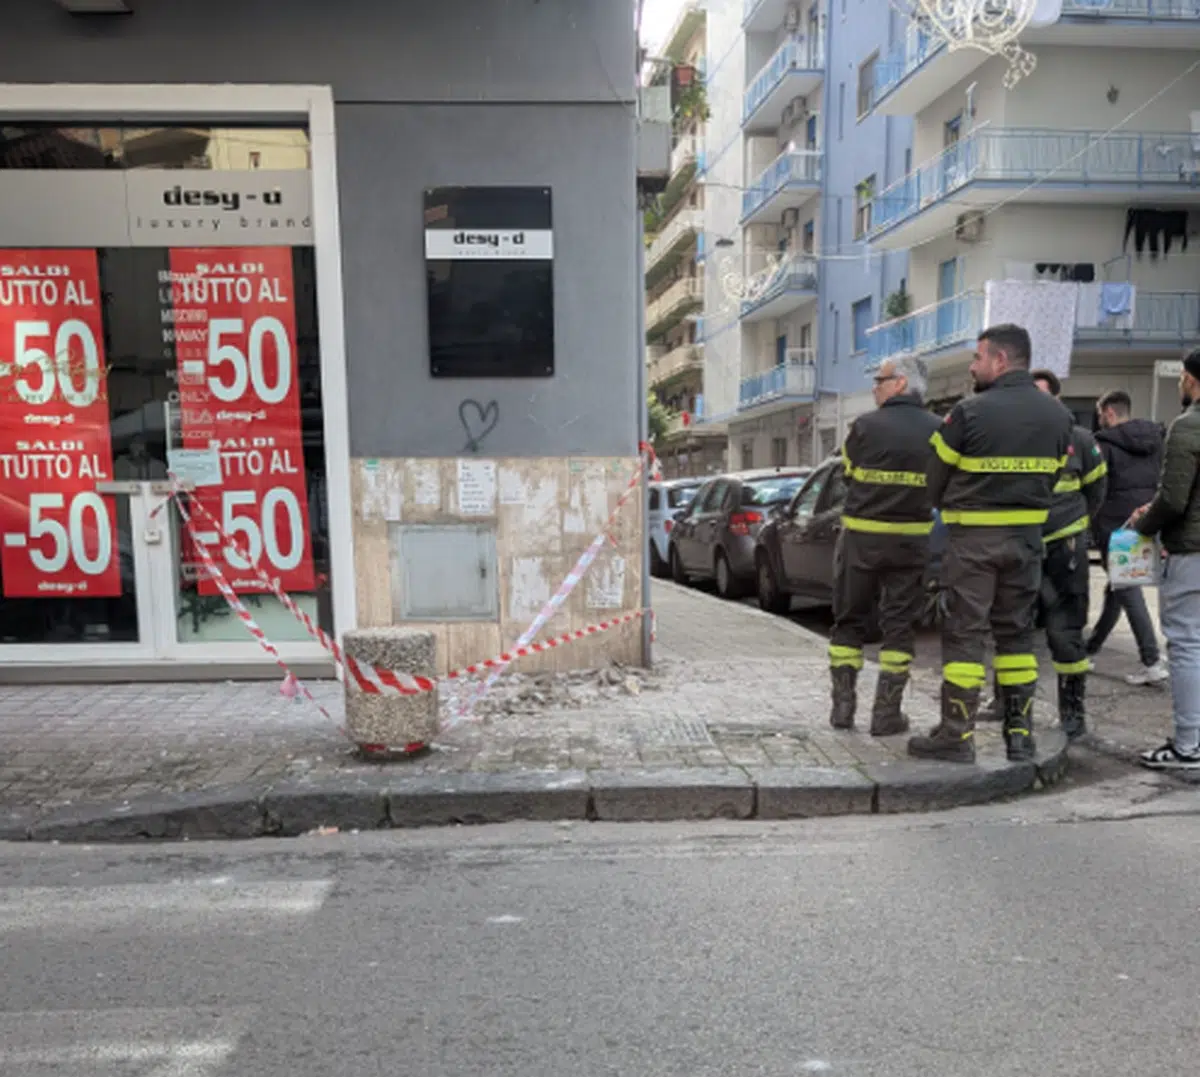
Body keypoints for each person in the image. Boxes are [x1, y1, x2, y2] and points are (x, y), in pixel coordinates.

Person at [908, 324, 1073, 764]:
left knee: (965, 635)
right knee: (1016, 636)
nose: (973, 366)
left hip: (973, 544)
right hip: (1026, 544)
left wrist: (962, 508)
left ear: (1000, 360)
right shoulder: (1060, 417)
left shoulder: (968, 413)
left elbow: (934, 483)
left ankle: (955, 735)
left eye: (978, 358)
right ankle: (1020, 736)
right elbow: (1055, 479)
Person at [828, 356, 940, 735]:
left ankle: (843, 710)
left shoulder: (864, 427)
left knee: (849, 622)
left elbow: (848, 475)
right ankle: (886, 714)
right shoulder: (938, 430)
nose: (874, 386)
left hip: (861, 539)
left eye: (880, 379)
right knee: (899, 627)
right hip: (911, 542)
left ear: (901, 383)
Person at [1128, 348, 1200, 769]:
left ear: (1190, 379)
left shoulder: (1187, 427)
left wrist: (1142, 525)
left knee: (1188, 644)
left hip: (1192, 552)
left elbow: (1173, 500)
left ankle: (1188, 746)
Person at [1086, 389, 1168, 685]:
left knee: (1128, 591)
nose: (1099, 420)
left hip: (1114, 527)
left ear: (1109, 412)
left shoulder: (1103, 445)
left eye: (1099, 414)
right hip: (1144, 522)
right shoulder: (1155, 440)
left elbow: (1097, 488)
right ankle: (1090, 650)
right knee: (1118, 592)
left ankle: (1151, 659)